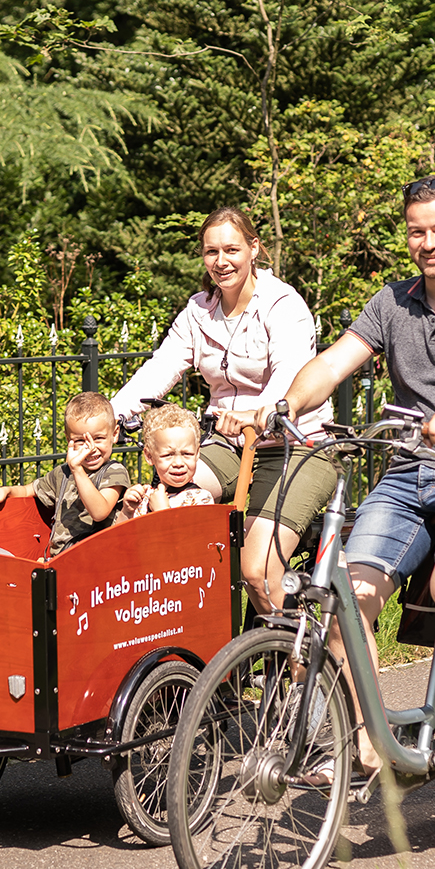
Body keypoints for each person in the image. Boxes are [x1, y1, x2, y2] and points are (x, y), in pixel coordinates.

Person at [225, 174, 435, 775]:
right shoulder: (392, 301)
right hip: (410, 472)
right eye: (417, 232)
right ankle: (374, 743)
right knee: (344, 602)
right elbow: (333, 363)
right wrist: (286, 406)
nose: (430, 243)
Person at [112, 206, 338, 611]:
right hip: (230, 445)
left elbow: (290, 374)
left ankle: (299, 659)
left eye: (231, 249)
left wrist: (261, 413)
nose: (221, 261)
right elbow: (162, 366)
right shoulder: (199, 311)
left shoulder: (283, 305)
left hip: (298, 446)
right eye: (211, 252)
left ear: (254, 248)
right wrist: (111, 416)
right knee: (167, 507)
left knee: (257, 568)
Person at [0, 391, 130, 556]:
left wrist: (77, 470)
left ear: (115, 434)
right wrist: (7, 491)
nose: (91, 448)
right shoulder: (63, 473)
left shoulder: (114, 472)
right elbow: (29, 490)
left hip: (94, 558)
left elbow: (100, 512)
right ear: (68, 440)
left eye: (99, 438)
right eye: (80, 441)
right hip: (60, 558)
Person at [116, 404, 215, 520]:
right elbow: (119, 537)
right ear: (149, 456)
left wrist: (162, 512)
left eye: (187, 454)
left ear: (197, 453)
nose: (178, 463)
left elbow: (191, 537)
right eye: (168, 455)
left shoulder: (201, 499)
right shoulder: (145, 498)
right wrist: (127, 512)